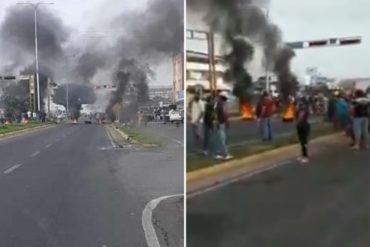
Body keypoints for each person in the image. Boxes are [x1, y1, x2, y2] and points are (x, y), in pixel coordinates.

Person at [214, 91, 233, 160]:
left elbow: (217, 114)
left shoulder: (219, 103)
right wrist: (226, 121)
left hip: (221, 123)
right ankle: (225, 154)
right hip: (221, 123)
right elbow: (223, 114)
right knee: (222, 139)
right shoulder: (221, 104)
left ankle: (218, 153)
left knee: (220, 139)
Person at [295, 97, 311, 163]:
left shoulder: (306, 111)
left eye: (302, 103)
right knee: (301, 142)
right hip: (299, 126)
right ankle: (302, 155)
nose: (301, 105)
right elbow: (296, 117)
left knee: (304, 142)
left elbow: (304, 119)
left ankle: (305, 156)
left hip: (304, 127)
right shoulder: (298, 111)